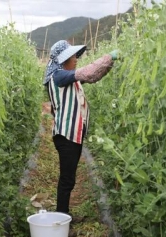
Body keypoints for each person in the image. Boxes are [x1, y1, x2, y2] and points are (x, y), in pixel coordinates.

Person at [43, 40, 118, 219]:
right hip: (66, 135)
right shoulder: (59, 76)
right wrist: (109, 56)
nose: (76, 59)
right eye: (72, 56)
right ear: (62, 60)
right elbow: (87, 72)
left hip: (71, 135)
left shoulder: (67, 78)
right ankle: (61, 218)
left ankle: (63, 216)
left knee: (68, 178)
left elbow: (92, 76)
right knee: (67, 180)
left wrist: (109, 64)